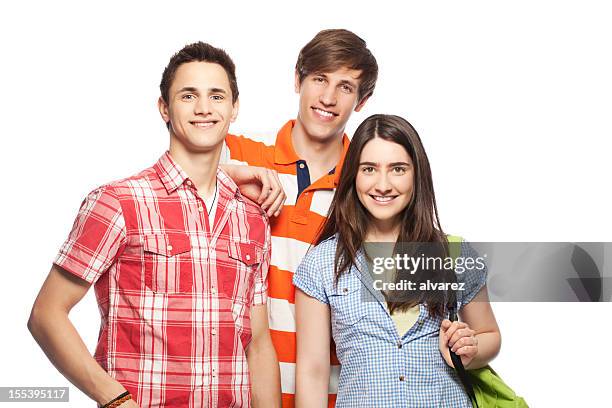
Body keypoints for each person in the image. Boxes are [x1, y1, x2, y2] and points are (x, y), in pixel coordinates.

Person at [27, 42, 282, 408]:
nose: (204, 108)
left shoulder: (251, 217)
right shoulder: (118, 203)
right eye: (188, 95)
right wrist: (115, 400)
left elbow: (257, 342)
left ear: (234, 107)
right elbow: (46, 314)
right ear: (164, 107)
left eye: (217, 96)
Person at [293, 114, 502, 407]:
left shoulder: (454, 253)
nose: (383, 184)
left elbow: (490, 335)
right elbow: (313, 372)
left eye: (398, 169)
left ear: (417, 175)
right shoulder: (321, 263)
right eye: (369, 169)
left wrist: (470, 349)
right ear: (353, 175)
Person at [223, 29, 378, 407]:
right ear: (298, 80)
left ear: (362, 100)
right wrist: (230, 173)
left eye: (345, 86)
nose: (328, 97)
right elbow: (174, 179)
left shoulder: (369, 188)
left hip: (333, 396)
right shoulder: (242, 155)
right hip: (243, 393)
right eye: (319, 79)